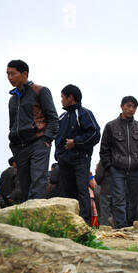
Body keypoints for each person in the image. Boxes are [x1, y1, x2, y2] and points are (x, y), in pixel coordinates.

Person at [6, 59, 59, 201]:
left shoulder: (40, 91)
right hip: (19, 146)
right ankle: (26, 220)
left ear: (24, 74)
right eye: (7, 74)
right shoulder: (12, 99)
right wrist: (12, 141)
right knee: (24, 185)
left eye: (13, 74)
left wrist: (47, 139)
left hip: (38, 142)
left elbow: (53, 118)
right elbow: (12, 124)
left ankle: (37, 218)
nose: (10, 77)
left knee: (38, 180)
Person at [99, 96, 138, 229]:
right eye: (128, 106)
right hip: (117, 169)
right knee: (118, 199)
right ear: (121, 106)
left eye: (134, 107)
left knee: (133, 200)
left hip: (136, 169)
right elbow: (104, 150)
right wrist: (110, 167)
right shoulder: (111, 126)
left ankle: (129, 226)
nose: (131, 109)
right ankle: (120, 227)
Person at [54, 84, 101, 226]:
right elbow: (58, 139)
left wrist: (76, 142)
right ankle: (70, 224)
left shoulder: (85, 114)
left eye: (62, 97)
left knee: (82, 190)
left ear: (71, 98)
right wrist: (59, 156)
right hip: (64, 162)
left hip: (81, 160)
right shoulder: (61, 117)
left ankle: (85, 224)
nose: (61, 100)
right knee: (67, 192)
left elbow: (95, 134)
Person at [95, 161, 114, 227]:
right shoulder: (120, 157)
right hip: (119, 191)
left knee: (104, 213)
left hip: (106, 189)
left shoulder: (103, 159)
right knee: (117, 212)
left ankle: (105, 230)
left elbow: (98, 176)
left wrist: (99, 183)